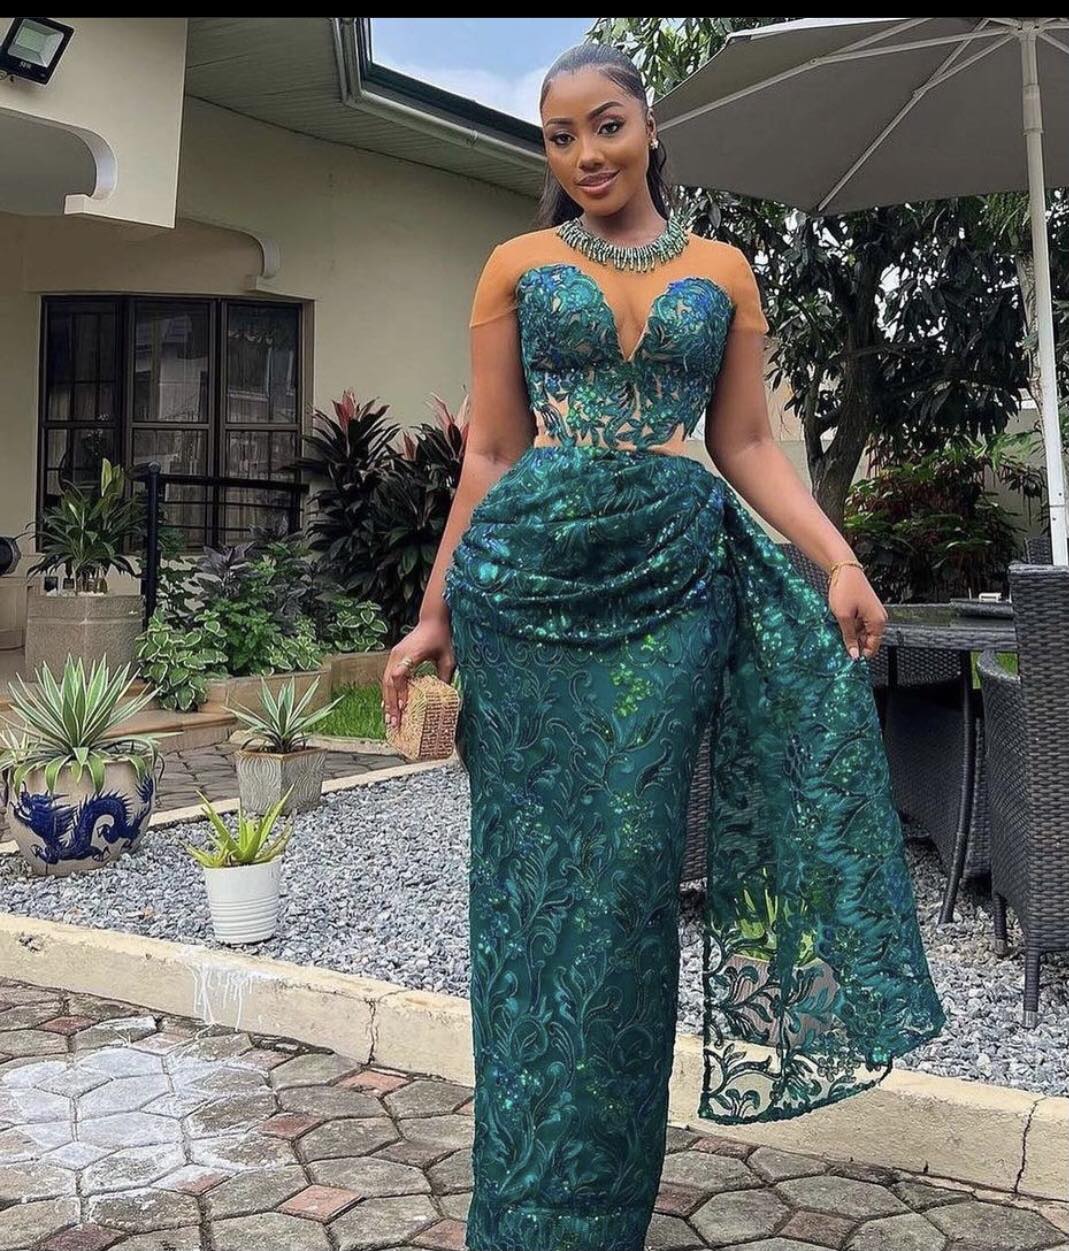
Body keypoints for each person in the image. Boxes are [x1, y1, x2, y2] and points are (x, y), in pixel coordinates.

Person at [381, 40, 945, 1251]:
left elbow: (743, 444)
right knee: (529, 893)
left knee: (631, 882)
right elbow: (490, 453)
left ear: (647, 127)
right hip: (524, 595)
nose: (584, 154)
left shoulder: (722, 268)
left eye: (606, 125)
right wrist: (434, 613)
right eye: (559, 136)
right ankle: (524, 1204)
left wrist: (837, 559)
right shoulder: (516, 264)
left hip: (669, 588)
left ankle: (599, 1209)